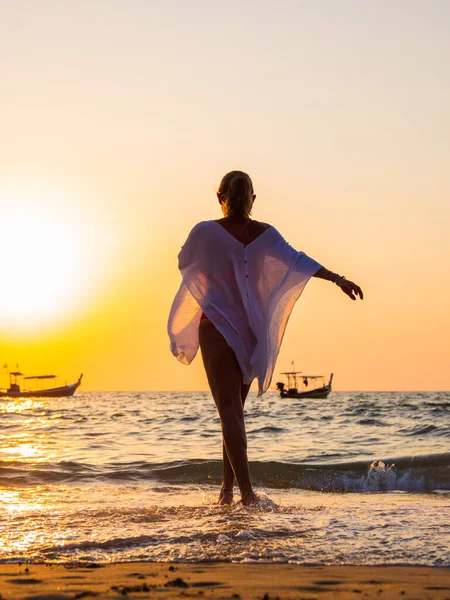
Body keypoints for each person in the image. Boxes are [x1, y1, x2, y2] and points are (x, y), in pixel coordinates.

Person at [168, 170, 363, 506]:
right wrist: (337, 278)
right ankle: (231, 492)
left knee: (229, 414)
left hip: (215, 326)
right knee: (233, 414)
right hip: (248, 334)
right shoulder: (265, 234)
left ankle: (242, 494)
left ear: (220, 198)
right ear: (253, 200)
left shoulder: (204, 232)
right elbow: (299, 262)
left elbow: (183, 260)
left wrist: (214, 271)